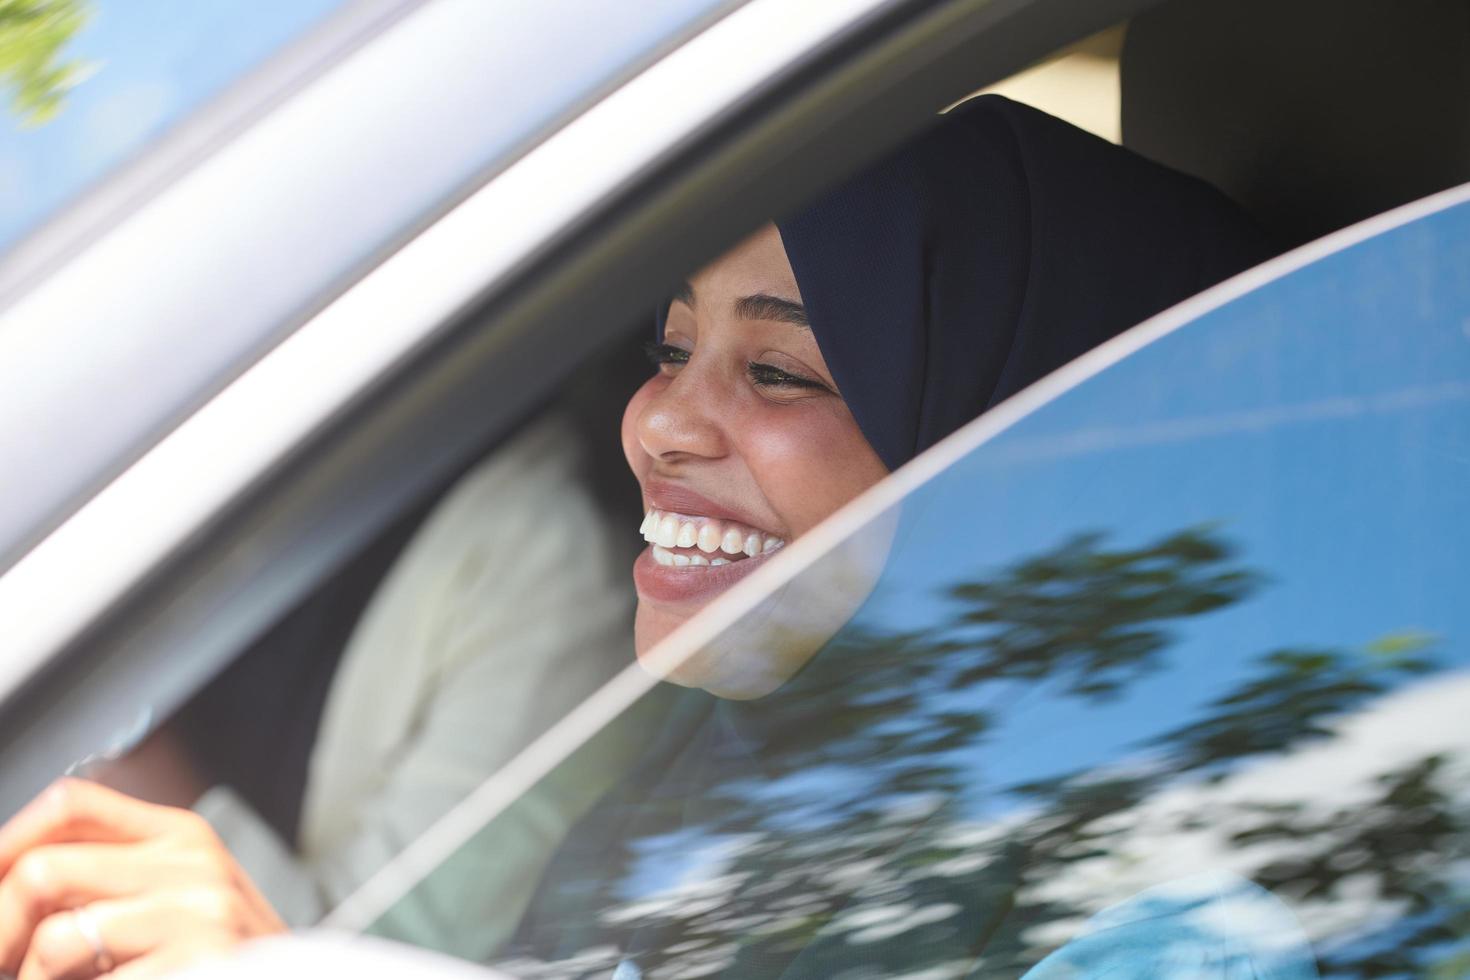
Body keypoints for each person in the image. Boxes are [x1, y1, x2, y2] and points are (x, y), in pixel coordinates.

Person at [0, 96, 1275, 978]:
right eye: (671, 348)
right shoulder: (688, 809)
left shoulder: (1174, 915)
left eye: (779, 370)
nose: (660, 417)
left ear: (1018, 461)